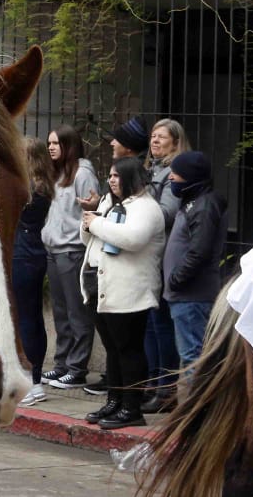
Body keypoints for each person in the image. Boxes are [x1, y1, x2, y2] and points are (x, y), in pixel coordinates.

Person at [81, 157, 167, 429]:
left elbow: (131, 239)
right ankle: (114, 401)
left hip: (129, 290)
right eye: (110, 175)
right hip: (101, 285)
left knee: (129, 349)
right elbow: (91, 239)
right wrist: (87, 223)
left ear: (131, 177)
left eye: (117, 175)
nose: (111, 180)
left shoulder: (146, 208)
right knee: (112, 349)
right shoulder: (109, 203)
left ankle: (132, 407)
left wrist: (95, 223)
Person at [40, 125, 100, 390]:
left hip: (73, 251)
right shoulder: (57, 173)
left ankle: (77, 369)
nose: (50, 147)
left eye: (56, 143)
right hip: (53, 251)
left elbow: (91, 209)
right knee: (61, 314)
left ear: (69, 146)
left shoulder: (83, 173)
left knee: (78, 313)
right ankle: (62, 364)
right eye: (49, 143)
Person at [163, 150, 227, 368]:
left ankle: (197, 402)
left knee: (193, 357)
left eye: (176, 173)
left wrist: (176, 279)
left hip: (192, 295)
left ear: (190, 176)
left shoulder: (204, 205)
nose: (171, 177)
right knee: (191, 355)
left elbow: (199, 250)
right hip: (184, 295)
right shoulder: (193, 202)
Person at [140, 117, 187, 413]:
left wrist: (138, 207)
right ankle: (152, 382)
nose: (155, 141)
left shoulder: (173, 173)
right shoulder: (150, 170)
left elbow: (167, 213)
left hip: (163, 254)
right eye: (153, 136)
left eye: (162, 137)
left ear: (175, 142)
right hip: (147, 255)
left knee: (161, 325)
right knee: (149, 325)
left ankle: (166, 388)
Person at [14, 137, 55, 407]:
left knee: (24, 319)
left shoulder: (26, 189)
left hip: (22, 254)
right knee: (33, 317)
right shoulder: (45, 185)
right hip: (35, 253)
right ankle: (35, 380)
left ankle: (30, 379)